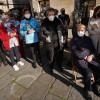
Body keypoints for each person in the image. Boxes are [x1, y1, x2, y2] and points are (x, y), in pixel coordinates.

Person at [71, 24, 100, 100]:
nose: (80, 32)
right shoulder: (73, 40)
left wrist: (91, 56)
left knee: (99, 67)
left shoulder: (88, 39)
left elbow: (93, 49)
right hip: (80, 60)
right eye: (78, 30)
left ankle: (96, 85)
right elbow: (75, 52)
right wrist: (85, 57)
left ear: (85, 31)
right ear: (77, 30)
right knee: (88, 74)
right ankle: (87, 89)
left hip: (90, 59)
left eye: (82, 30)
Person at [39, 8, 66, 74]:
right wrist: (45, 39)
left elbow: (63, 31)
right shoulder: (44, 22)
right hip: (49, 43)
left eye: (53, 14)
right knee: (51, 57)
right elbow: (40, 34)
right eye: (50, 15)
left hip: (58, 42)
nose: (52, 16)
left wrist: (64, 38)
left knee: (58, 56)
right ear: (47, 15)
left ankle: (59, 67)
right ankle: (50, 68)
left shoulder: (58, 20)